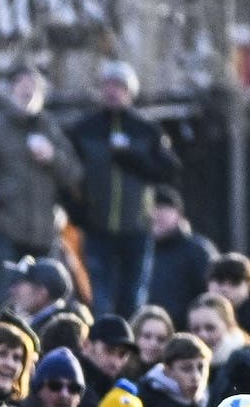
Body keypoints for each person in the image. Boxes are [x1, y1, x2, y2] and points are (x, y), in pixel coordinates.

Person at [67, 60, 177, 316]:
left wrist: (133, 160)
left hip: (136, 228)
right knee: (99, 299)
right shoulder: (84, 130)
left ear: (130, 91)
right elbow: (68, 175)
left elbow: (168, 170)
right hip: (97, 227)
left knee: (133, 299)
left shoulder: (146, 130)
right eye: (108, 85)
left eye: (119, 86)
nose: (113, 91)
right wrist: (77, 211)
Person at [0, 61, 82, 277]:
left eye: (33, 84)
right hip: (6, 237)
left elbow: (74, 173)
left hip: (45, 235)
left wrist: (53, 157)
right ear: (10, 89)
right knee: (8, 292)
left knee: (46, 293)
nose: (27, 89)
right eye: (21, 83)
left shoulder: (49, 128)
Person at [141, 189, 216, 322]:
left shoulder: (197, 250)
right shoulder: (137, 251)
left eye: (162, 208)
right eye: (151, 208)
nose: (155, 214)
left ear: (178, 214)